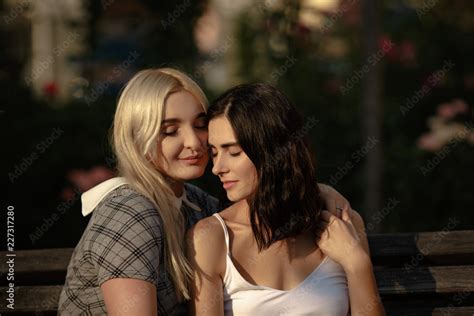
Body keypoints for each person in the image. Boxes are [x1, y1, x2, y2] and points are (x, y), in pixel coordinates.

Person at [58, 68, 352, 315]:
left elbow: (257, 204)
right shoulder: (131, 211)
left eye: (200, 125)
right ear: (138, 138)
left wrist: (318, 190)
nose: (195, 143)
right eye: (170, 130)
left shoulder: (192, 203)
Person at [186, 83, 385, 315]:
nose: (217, 168)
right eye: (214, 152)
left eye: (234, 152)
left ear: (272, 150)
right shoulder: (212, 238)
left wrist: (356, 263)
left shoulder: (340, 223)